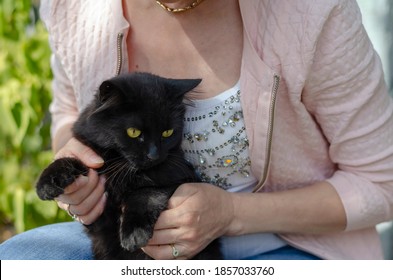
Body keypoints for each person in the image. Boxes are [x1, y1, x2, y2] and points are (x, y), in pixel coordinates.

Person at [1, 0, 393, 260]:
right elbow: (67, 112)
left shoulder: (312, 13)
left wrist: (231, 214)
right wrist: (75, 162)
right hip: (126, 239)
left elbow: (382, 183)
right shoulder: (73, 7)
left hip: (289, 245)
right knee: (21, 258)